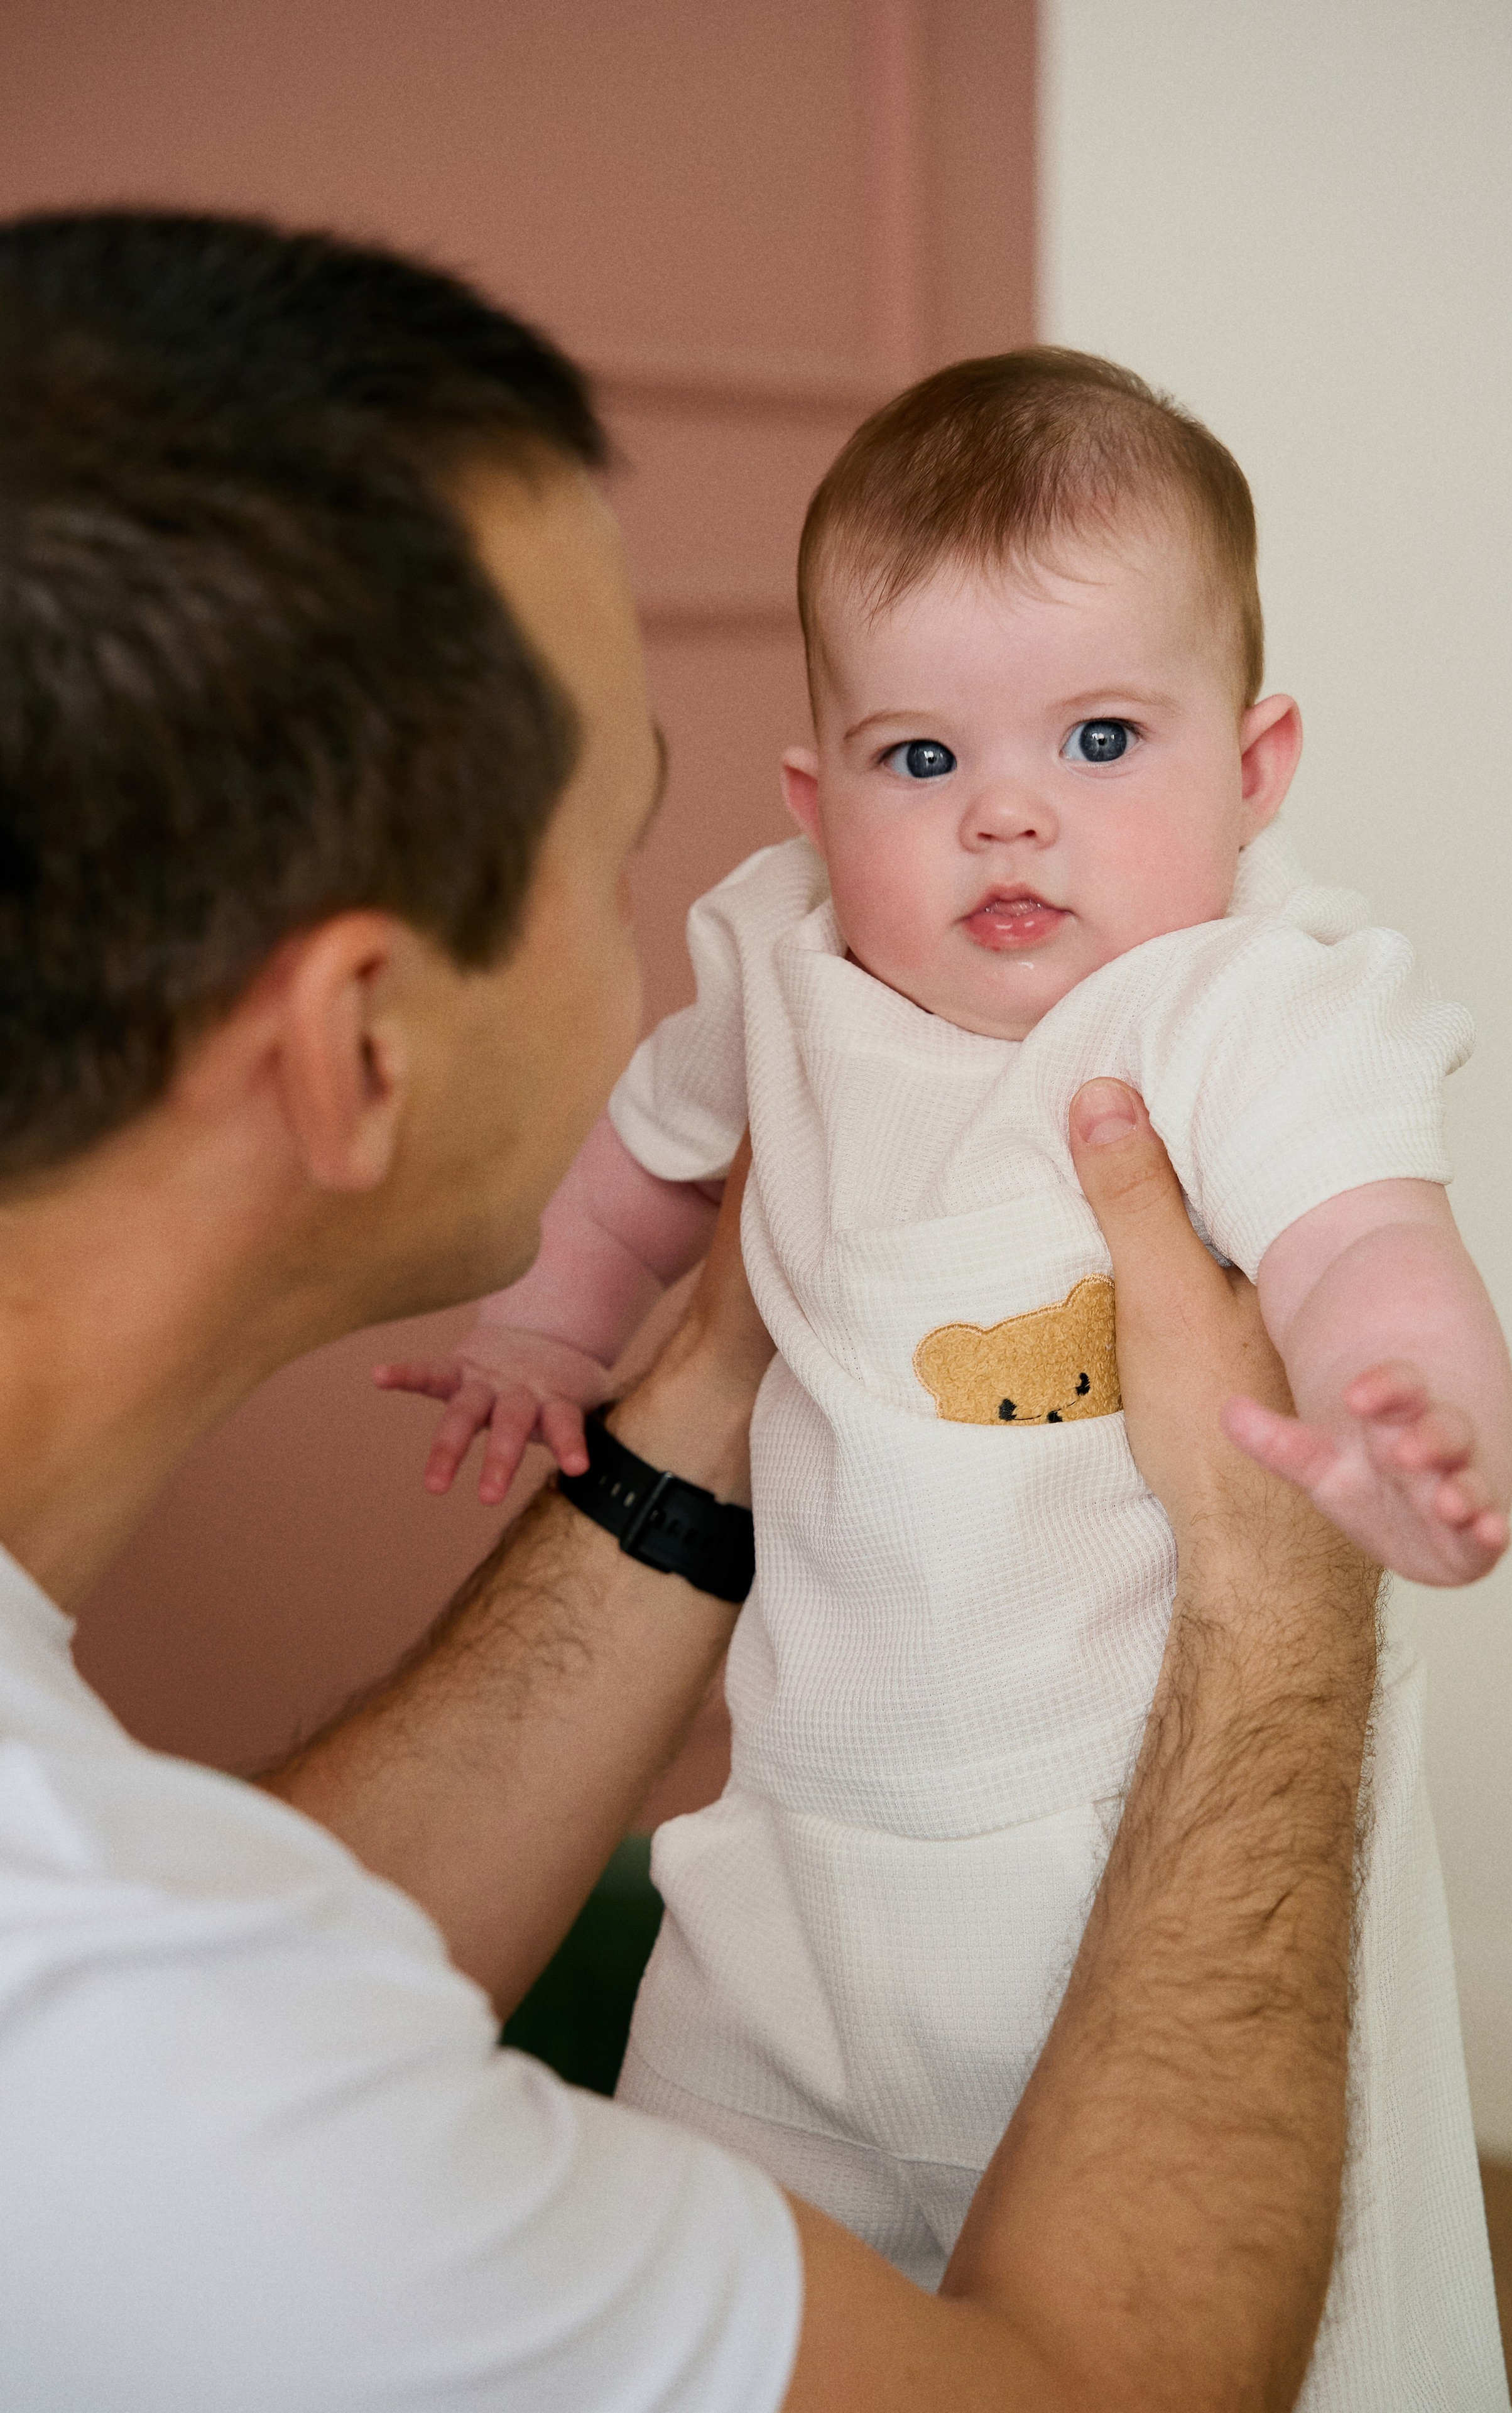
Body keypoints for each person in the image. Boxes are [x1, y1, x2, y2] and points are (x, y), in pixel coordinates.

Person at [1, 207, 1383, 2412]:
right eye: (617, 838)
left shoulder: (117, 1951)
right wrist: (1282, 1589)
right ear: (361, 1040)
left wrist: (720, 1367)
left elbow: (271, 1969)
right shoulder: (167, 2108)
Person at [393, 353, 1511, 2400]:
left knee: (1285, 2305)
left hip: (1151, 1864)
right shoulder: (791, 956)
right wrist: (551, 1326)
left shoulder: (1247, 994)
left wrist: (1403, 1406)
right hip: (798, 1871)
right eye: (921, 757)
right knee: (723, 2279)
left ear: (1254, 766)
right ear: (815, 794)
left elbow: (1367, 1237)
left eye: (1101, 738)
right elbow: (652, 1165)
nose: (1007, 811)